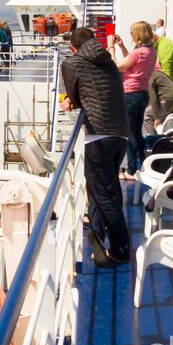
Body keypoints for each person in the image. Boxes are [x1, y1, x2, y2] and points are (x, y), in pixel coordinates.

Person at [60, 26, 131, 266]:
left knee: (104, 194)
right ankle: (98, 238)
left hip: (98, 136)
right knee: (101, 189)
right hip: (120, 133)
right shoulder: (108, 61)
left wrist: (70, 100)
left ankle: (121, 249)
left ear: (73, 47)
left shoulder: (71, 63)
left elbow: (76, 97)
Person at [109, 21, 158, 180]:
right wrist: (122, 47)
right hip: (142, 94)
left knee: (129, 133)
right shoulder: (150, 51)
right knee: (136, 132)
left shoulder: (139, 52)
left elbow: (117, 67)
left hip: (130, 94)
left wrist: (111, 47)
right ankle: (143, 165)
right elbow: (132, 63)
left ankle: (131, 170)